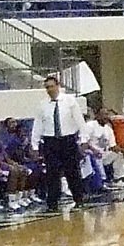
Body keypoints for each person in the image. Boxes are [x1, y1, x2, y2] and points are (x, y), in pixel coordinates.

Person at [30, 74, 86, 211]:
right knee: (52, 173)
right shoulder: (43, 105)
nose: (49, 89)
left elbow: (80, 121)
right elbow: (38, 125)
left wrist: (83, 139)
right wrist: (35, 145)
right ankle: (53, 203)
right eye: (47, 87)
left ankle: (78, 199)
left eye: (51, 86)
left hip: (68, 140)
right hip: (50, 142)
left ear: (58, 86)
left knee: (72, 171)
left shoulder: (70, 101)